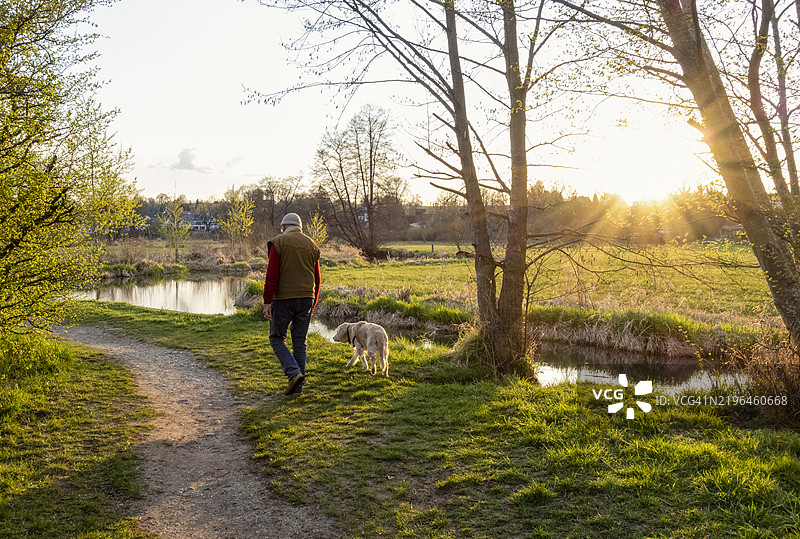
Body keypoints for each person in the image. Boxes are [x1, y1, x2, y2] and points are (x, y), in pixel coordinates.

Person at [262, 213, 321, 395]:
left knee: (277, 338)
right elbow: (317, 277)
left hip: (283, 299)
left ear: (284, 227)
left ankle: (293, 373)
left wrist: (267, 301)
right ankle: (298, 388)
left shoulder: (278, 242)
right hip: (306, 297)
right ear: (300, 227)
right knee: (300, 343)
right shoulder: (311, 244)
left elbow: (272, 275)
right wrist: (314, 299)